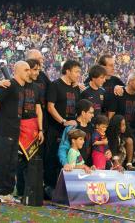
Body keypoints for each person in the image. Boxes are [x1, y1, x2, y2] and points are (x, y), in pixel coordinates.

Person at [0, 61, 31, 203]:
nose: (28, 72)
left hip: (14, 130)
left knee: (11, 163)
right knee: (0, 161)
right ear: (16, 70)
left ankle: (6, 192)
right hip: (3, 129)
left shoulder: (21, 88)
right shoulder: (8, 84)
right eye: (26, 69)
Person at [46, 60, 82, 189]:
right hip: (56, 129)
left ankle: (65, 188)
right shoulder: (55, 85)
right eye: (76, 71)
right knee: (53, 158)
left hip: (71, 130)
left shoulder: (76, 88)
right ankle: (49, 187)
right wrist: (63, 121)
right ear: (67, 71)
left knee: (68, 158)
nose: (79, 75)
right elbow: (50, 107)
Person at [15, 59, 45, 199]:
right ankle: (20, 191)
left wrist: (40, 130)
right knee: (19, 161)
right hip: (18, 126)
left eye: (38, 70)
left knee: (31, 161)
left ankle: (29, 191)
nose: (37, 72)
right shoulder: (17, 85)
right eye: (34, 69)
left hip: (32, 128)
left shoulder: (37, 88)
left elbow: (39, 110)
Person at [104, 72, 135, 168]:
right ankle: (116, 164)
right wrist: (109, 130)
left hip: (129, 130)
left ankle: (129, 163)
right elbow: (111, 116)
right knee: (116, 142)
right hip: (114, 128)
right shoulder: (119, 93)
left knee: (131, 140)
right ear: (130, 82)